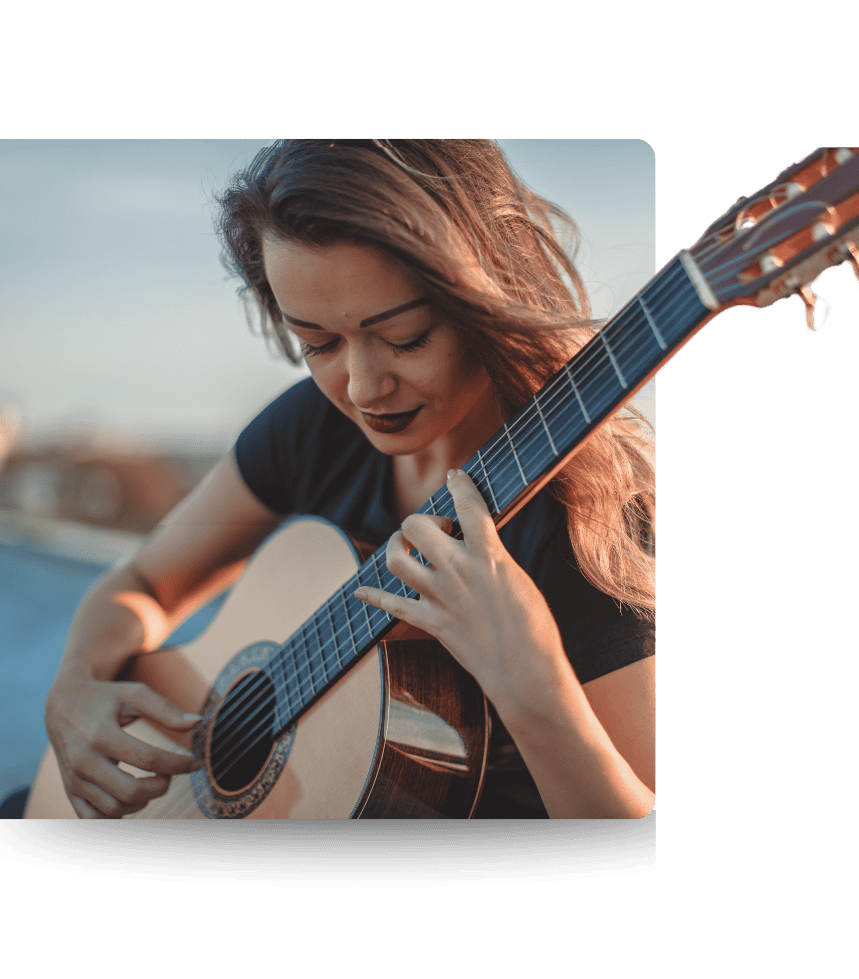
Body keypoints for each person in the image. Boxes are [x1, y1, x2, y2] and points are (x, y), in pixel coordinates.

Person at [34, 139, 655, 819]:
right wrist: (74, 685)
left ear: (489, 291)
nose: (362, 387)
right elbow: (144, 583)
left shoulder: (595, 519)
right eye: (318, 344)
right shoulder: (313, 431)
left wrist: (534, 690)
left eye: (407, 337)